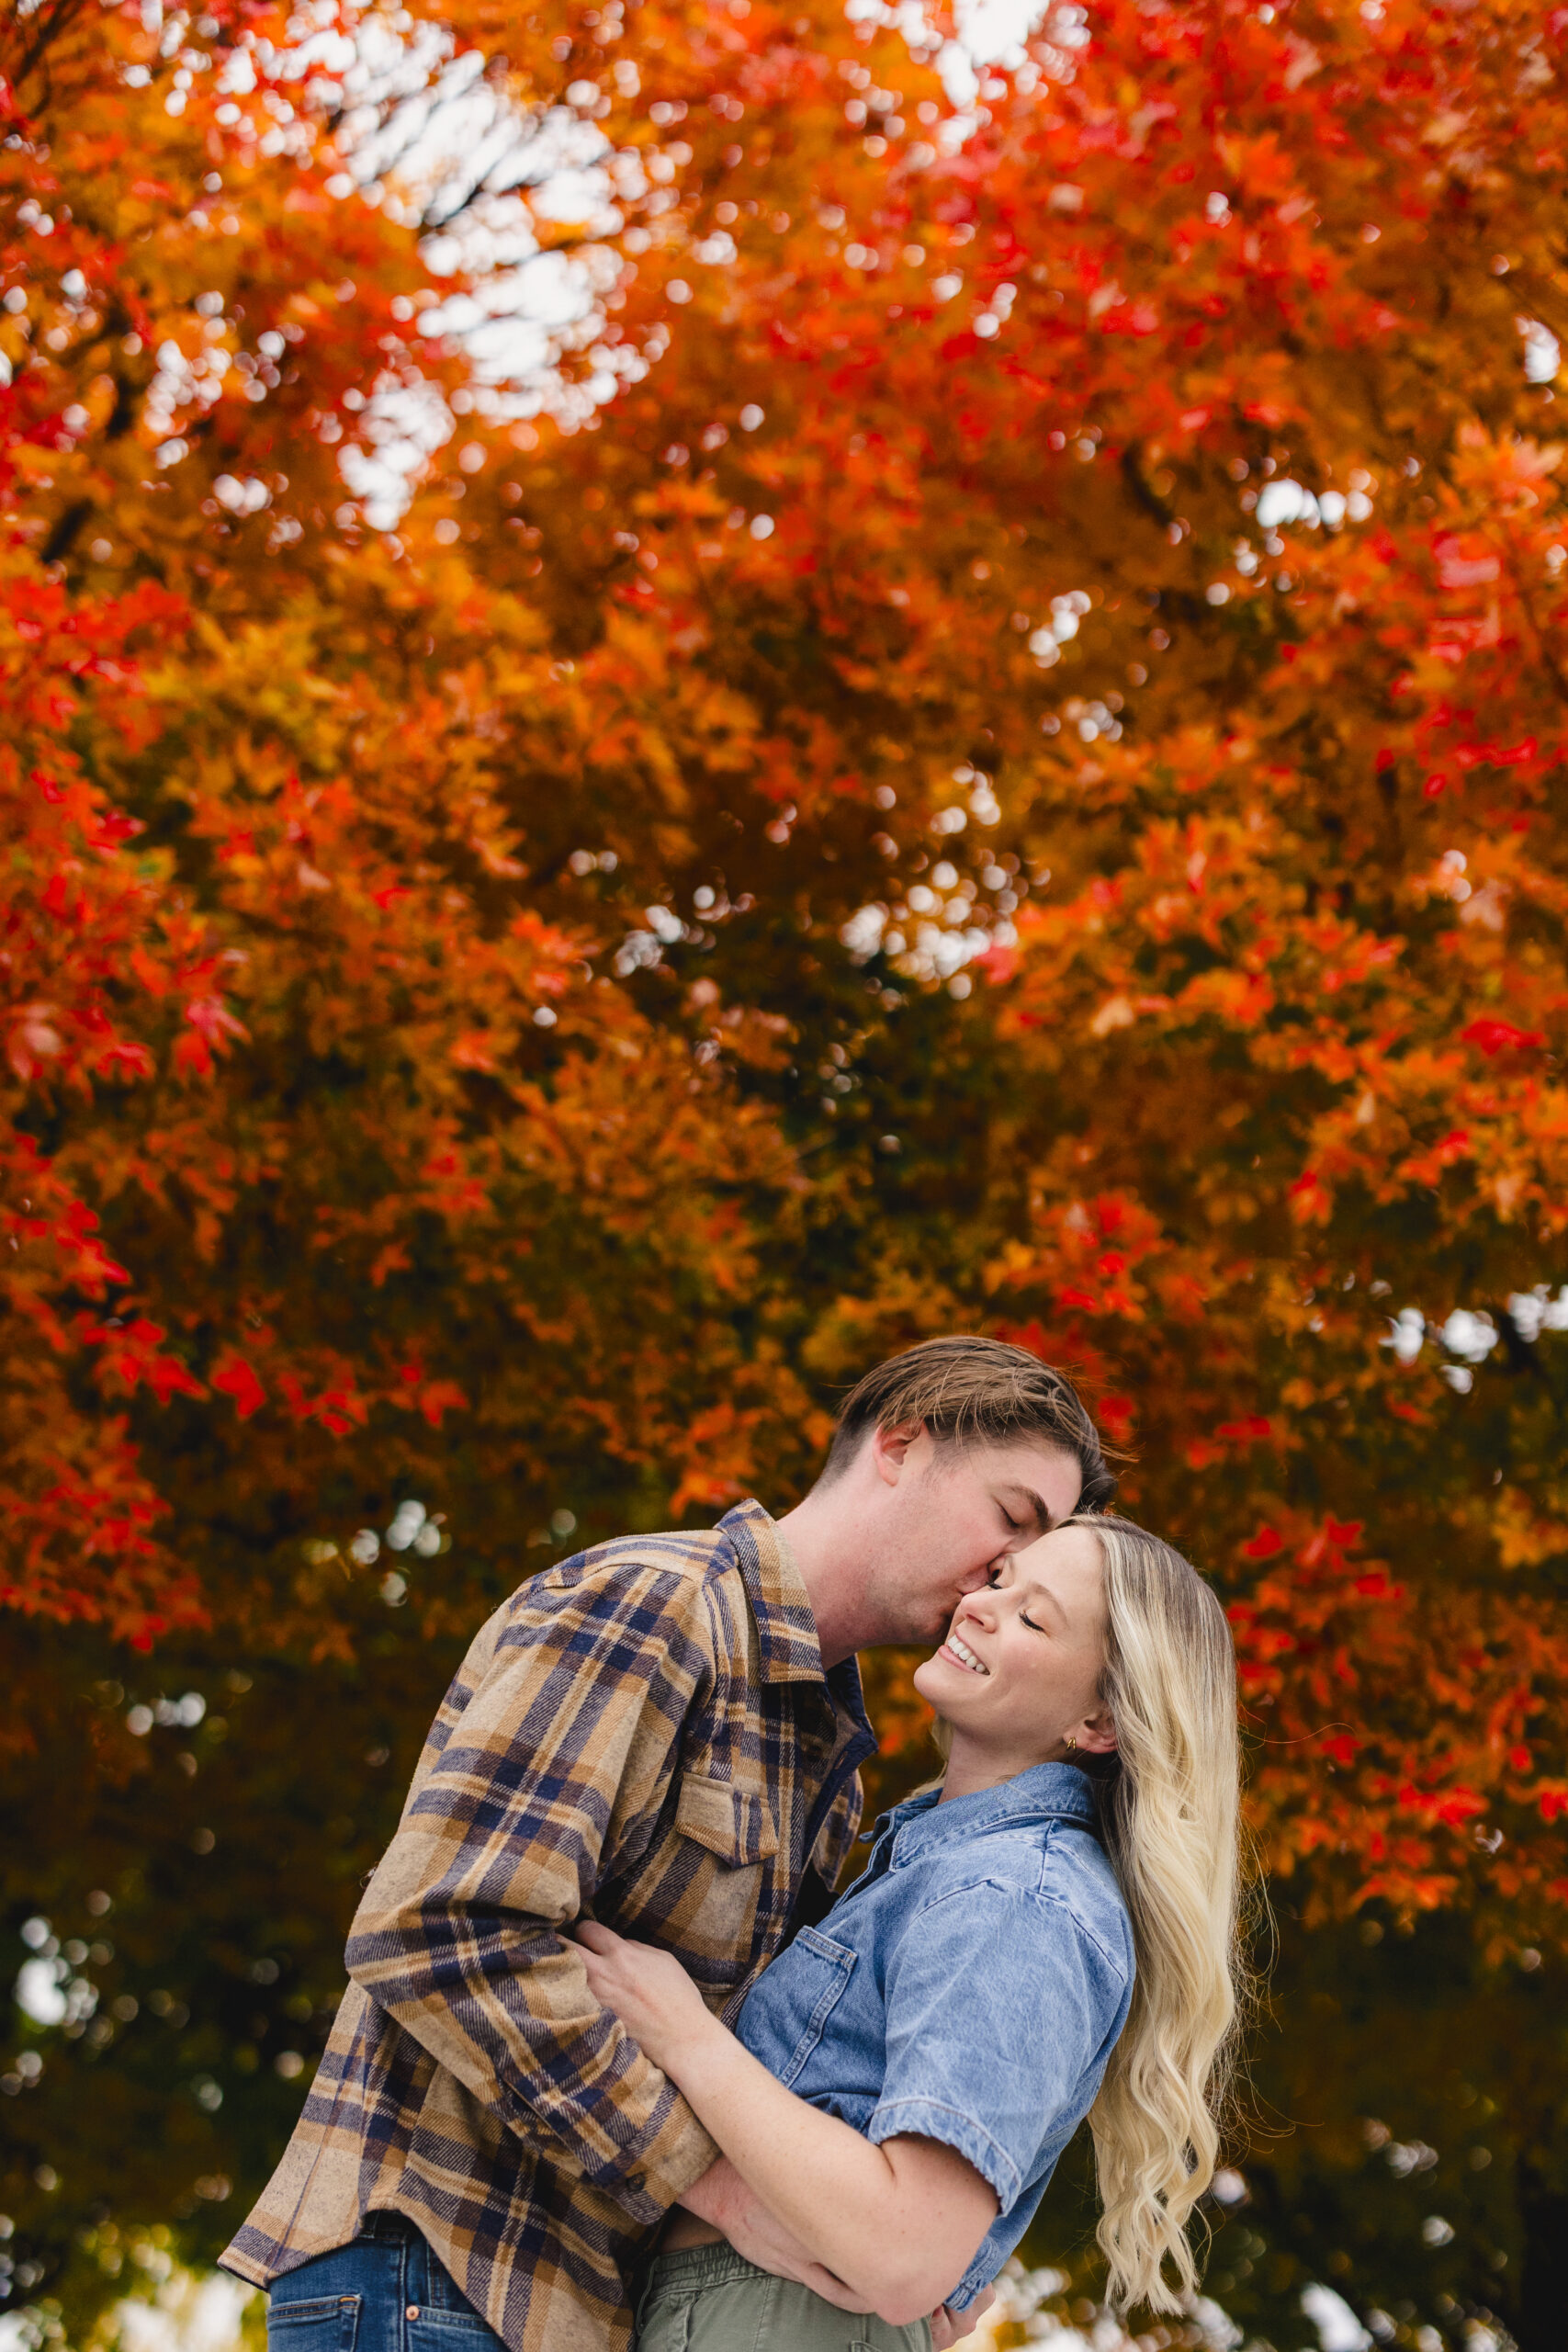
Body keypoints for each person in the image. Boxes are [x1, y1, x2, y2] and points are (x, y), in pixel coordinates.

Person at [221, 1338, 1114, 2352]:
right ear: (901, 1446)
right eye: (1007, 1524)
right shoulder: (658, 1607)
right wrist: (721, 2189)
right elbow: (442, 1926)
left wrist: (906, 2260)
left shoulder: (829, 1753)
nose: (993, 1582)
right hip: (437, 2266)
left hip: (579, 2307)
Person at [578, 1513, 1245, 2352]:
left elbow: (906, 2255)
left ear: (1100, 1724)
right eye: (998, 1581)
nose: (980, 1607)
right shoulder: (946, 1867)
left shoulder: (1014, 1896)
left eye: (1035, 1617)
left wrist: (683, 2036)